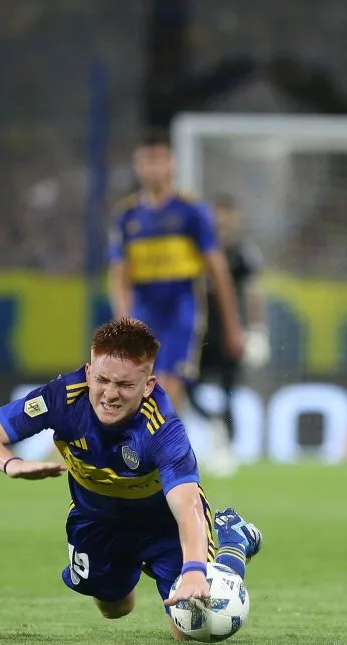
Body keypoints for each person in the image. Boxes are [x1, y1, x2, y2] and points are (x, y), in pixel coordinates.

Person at [0, 319, 262, 638]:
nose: (110, 395)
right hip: (96, 520)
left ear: (147, 385)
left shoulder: (164, 428)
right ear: (89, 373)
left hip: (163, 524)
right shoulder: (63, 397)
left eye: (125, 386)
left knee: (191, 628)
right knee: (114, 608)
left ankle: (233, 544)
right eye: (102, 380)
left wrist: (195, 570)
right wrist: (10, 463)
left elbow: (187, 506)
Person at [107, 130, 245, 427]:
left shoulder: (192, 211)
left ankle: (160, 457)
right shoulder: (127, 216)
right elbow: (119, 276)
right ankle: (160, 452)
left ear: (171, 163)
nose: (153, 168)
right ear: (137, 165)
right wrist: (122, 321)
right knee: (136, 386)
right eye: (146, 161)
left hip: (181, 305)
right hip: (143, 307)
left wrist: (233, 326)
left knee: (167, 385)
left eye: (158, 160)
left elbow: (218, 271)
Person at [188, 192, 270, 477]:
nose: (224, 220)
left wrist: (257, 330)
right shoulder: (194, 250)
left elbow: (253, 294)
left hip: (229, 333)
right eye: (219, 213)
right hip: (197, 332)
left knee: (229, 392)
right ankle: (213, 424)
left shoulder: (242, 254)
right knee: (187, 386)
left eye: (228, 214)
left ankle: (225, 449)